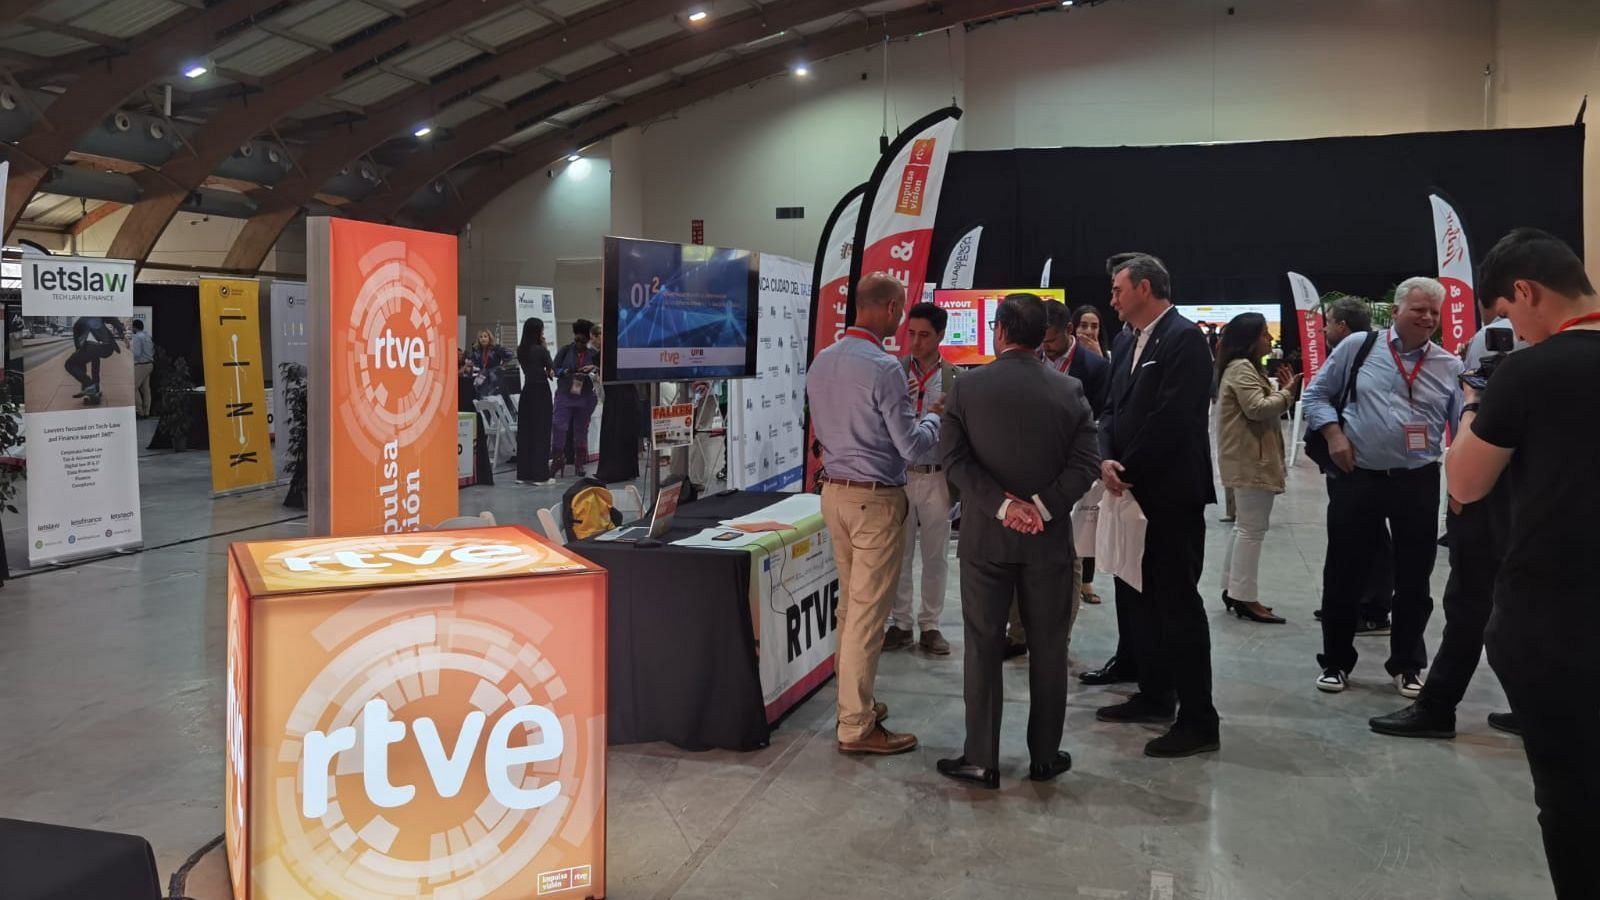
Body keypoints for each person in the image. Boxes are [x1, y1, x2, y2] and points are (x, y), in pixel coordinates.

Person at [1444, 227, 1599, 899]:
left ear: (1526, 292)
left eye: (1506, 315)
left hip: (1557, 617)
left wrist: (1475, 403)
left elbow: (1465, 483)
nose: (1509, 331)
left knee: (1570, 797)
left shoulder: (1530, 372)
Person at [935, 293, 1099, 788]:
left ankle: (981, 758)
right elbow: (1086, 466)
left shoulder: (967, 388)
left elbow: (955, 461)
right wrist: (1041, 507)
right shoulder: (1070, 390)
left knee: (983, 647)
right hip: (1049, 543)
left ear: (1000, 330)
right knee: (1050, 648)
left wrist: (1004, 507)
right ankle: (1044, 757)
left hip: (986, 540)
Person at [1369, 283, 1523, 739]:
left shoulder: (1521, 366)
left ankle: (1438, 706)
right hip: (1538, 512)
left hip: (1496, 504)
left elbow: (1472, 454)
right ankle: (1537, 707)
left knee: (1472, 605)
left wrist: (1474, 405)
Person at [1303, 277, 1462, 696]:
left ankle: (1407, 665)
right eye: (1418, 309)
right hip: (1360, 478)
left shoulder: (1449, 365)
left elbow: (1464, 427)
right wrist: (1335, 437)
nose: (1427, 318)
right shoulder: (1359, 348)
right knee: (1344, 570)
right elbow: (1316, 395)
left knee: (1415, 576)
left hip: (1418, 479)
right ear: (1395, 311)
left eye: (1433, 312)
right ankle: (1336, 662)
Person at [1091, 253, 1221, 758]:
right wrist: (1107, 459)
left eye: (1118, 289)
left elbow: (1175, 419)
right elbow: (1109, 410)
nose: (1112, 298)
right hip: (1129, 493)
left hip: (1169, 497)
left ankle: (1199, 719)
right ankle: (1153, 693)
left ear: (1144, 288)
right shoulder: (1125, 340)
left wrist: (1127, 468)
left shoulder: (1185, 339)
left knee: (1177, 605)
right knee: (1136, 597)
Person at [808, 274, 940, 756]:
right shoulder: (884, 369)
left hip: (835, 495)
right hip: (875, 501)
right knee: (867, 616)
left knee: (850, 608)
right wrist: (934, 417)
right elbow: (910, 446)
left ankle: (854, 702)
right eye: (901, 310)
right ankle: (856, 725)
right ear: (887, 308)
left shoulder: (822, 361)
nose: (902, 320)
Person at [1006, 300, 1111, 655]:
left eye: (1049, 340)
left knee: (1070, 556)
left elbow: (1102, 421)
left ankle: (1057, 639)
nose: (1044, 346)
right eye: (1040, 340)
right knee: (1020, 553)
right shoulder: (1027, 359)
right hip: (1027, 470)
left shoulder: (1094, 368)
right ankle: (1019, 634)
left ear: (1069, 332)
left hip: (1074, 476)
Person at [1316, 297, 1397, 633]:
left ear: (1343, 327)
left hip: (1361, 462)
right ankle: (1353, 604)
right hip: (1347, 457)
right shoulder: (1363, 352)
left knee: (1370, 535)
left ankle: (1371, 607)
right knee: (1360, 534)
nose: (1324, 328)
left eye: (1329, 321)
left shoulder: (1362, 353)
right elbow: (1318, 396)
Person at [1214, 313, 1300, 624]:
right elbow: (1258, 409)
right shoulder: (1241, 368)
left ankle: (1232, 588)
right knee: (1252, 530)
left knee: (1244, 528)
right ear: (1250, 339)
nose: (1270, 338)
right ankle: (1245, 597)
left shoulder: (1242, 368)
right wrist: (1288, 391)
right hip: (1252, 461)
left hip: (1248, 459)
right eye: (1265, 333)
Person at [884, 302, 958, 657]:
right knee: (899, 553)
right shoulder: (893, 371)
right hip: (899, 475)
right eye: (910, 333)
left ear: (941, 335)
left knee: (936, 554)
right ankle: (900, 624)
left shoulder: (957, 378)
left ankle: (930, 625)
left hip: (937, 476)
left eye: (924, 335)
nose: (915, 341)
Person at [552, 319, 599, 478]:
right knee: (559, 426)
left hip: (585, 396)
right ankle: (558, 459)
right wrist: (564, 371)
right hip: (565, 394)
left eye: (583, 339)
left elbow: (601, 371)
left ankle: (579, 463)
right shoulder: (565, 350)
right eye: (576, 338)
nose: (579, 342)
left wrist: (593, 369)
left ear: (588, 338)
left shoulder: (593, 354)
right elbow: (553, 369)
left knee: (581, 429)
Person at [515, 317, 555, 486]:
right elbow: (551, 370)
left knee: (525, 432)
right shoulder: (540, 350)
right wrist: (545, 349)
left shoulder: (521, 350)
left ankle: (523, 474)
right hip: (541, 391)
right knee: (541, 432)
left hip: (527, 392)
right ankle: (540, 475)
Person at [66, 316, 121, 405]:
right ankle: (94, 388)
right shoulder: (96, 315)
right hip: (106, 348)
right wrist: (122, 333)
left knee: (69, 364)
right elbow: (113, 319)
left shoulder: (78, 324)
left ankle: (90, 386)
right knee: (95, 365)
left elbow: (78, 345)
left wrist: (85, 382)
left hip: (91, 347)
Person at [130, 318, 154, 418]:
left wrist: (129, 350)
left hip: (141, 365)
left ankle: (139, 411)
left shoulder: (136, 337)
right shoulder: (148, 336)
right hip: (149, 364)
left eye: (132, 327)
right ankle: (147, 412)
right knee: (145, 389)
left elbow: (137, 353)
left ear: (135, 327)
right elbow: (153, 350)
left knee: (132, 388)